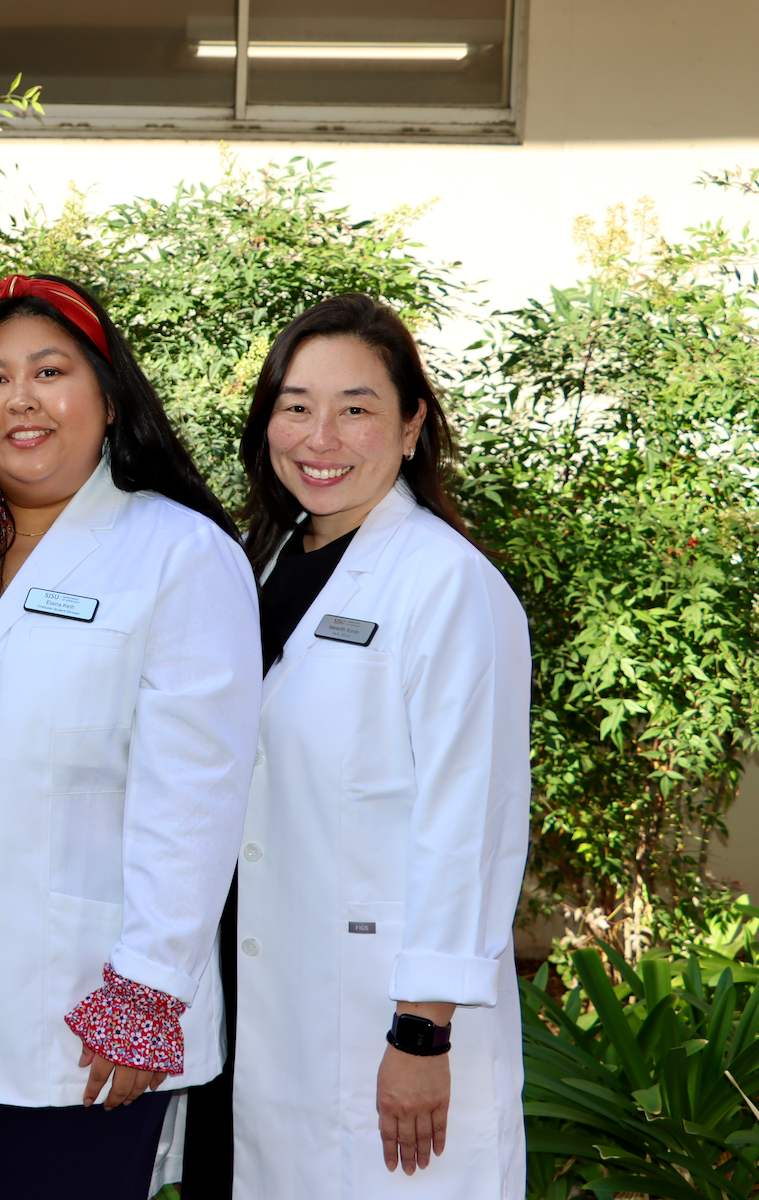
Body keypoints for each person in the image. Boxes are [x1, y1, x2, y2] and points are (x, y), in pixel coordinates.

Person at [0, 274, 261, 1200]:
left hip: (91, 1006)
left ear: (109, 394)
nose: (22, 401)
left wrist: (145, 993)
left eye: (51, 370)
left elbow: (197, 795)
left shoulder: (180, 553)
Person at [215, 294, 530, 1199]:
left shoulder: (449, 585)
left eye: (356, 408)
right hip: (268, 992)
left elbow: (472, 817)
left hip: (388, 1015)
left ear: (410, 426)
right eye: (296, 405)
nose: (321, 437)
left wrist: (424, 1030)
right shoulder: (265, 566)